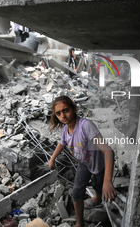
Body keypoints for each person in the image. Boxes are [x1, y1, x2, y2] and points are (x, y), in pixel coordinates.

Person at [49, 96, 117, 227]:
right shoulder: (65, 130)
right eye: (58, 113)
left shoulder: (86, 125)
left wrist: (108, 181)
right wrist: (52, 158)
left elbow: (108, 151)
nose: (63, 115)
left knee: (99, 186)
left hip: (99, 165)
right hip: (84, 163)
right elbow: (61, 143)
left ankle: (97, 198)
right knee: (76, 192)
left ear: (74, 109)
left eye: (66, 110)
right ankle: (80, 223)